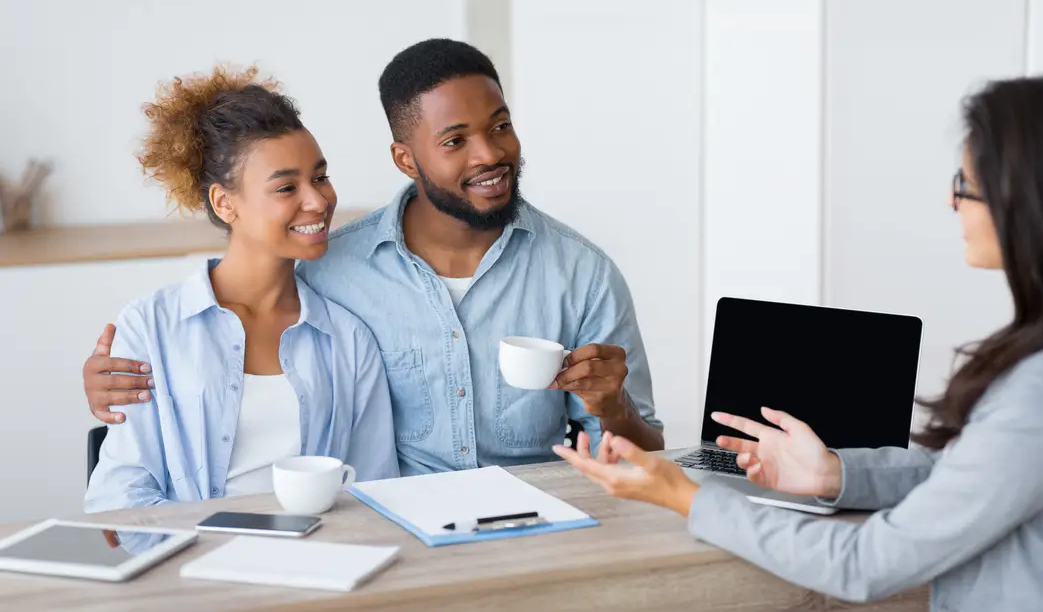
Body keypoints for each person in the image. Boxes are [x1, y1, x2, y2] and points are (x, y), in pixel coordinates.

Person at [553, 76, 1043, 611]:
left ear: (1031, 204)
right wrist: (834, 472)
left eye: (966, 184)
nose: (951, 201)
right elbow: (967, 475)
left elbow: (865, 564)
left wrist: (683, 494)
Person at [82, 39, 664, 476]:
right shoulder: (327, 270)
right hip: (393, 539)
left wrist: (612, 408)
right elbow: (216, 335)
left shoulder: (582, 274)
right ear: (405, 159)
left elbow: (643, 456)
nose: (490, 154)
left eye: (501, 127)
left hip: (536, 533)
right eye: (455, 140)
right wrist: (117, 382)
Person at [84, 66, 399, 511]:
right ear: (224, 202)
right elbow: (119, 495)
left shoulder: (348, 338)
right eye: (287, 186)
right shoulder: (151, 326)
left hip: (322, 562)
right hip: (192, 562)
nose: (318, 200)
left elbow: (374, 488)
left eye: (321, 177)